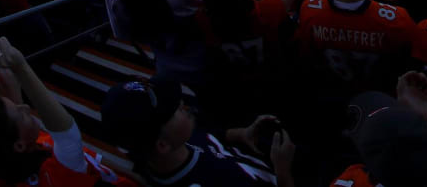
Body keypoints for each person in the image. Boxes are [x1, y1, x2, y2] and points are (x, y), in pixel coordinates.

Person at [0, 37, 127, 187]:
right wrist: (21, 67)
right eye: (20, 113)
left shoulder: (19, 151)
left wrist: (10, 86)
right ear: (19, 145)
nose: (26, 107)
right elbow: (67, 134)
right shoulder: (53, 173)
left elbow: (13, 127)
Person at [100, 77, 291, 186]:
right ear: (162, 145)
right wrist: (283, 171)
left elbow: (207, 138)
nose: (183, 105)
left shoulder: (178, 141)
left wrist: (241, 133)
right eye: (174, 109)